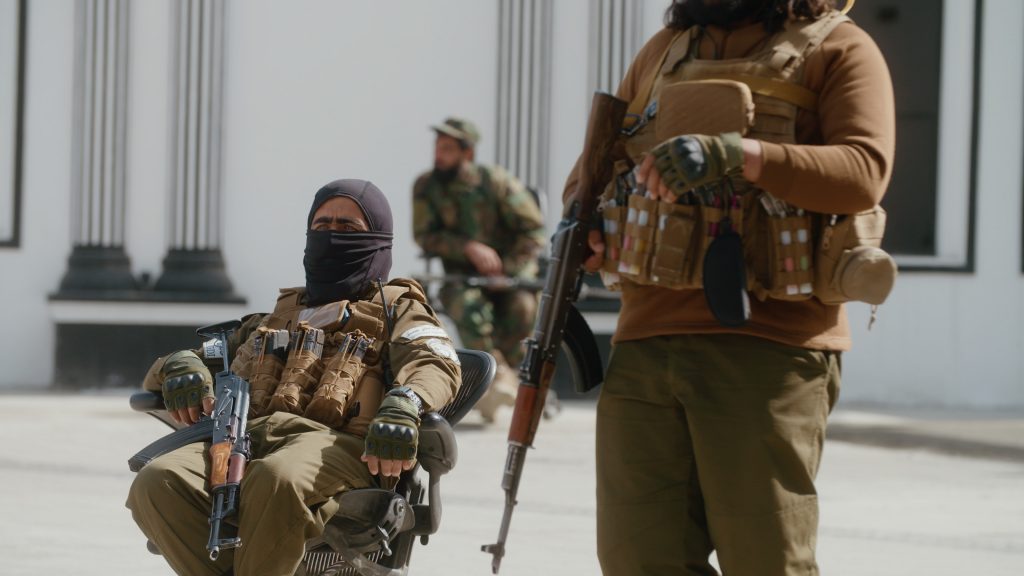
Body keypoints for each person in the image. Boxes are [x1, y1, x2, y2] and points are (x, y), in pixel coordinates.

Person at [567, 1, 895, 574]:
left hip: (771, 349)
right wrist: (588, 225)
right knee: (639, 559)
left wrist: (742, 156)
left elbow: (863, 170)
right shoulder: (664, 51)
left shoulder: (837, 47)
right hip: (645, 345)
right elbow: (597, 168)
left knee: (765, 560)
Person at [126, 179, 462, 576]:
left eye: (348, 228)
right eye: (322, 226)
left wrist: (406, 402)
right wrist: (181, 366)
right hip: (248, 441)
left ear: (378, 240)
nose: (332, 236)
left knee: (276, 478)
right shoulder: (276, 316)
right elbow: (194, 361)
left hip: (341, 447)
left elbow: (436, 362)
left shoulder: (397, 309)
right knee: (158, 480)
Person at [412, 117, 546, 422]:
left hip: (509, 278)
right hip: (461, 278)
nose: (438, 155)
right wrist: (468, 247)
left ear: (467, 153)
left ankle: (511, 381)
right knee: (467, 306)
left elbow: (534, 231)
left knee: (524, 308)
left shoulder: (495, 182)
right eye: (437, 147)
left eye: (447, 149)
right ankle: (496, 378)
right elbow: (424, 236)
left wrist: (507, 270)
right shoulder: (426, 186)